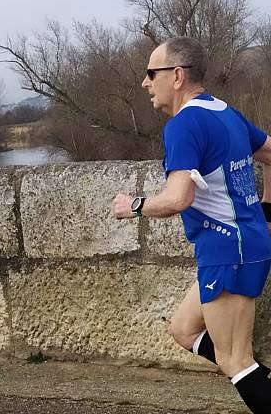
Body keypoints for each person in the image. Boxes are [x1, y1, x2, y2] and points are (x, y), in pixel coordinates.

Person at [113, 36, 271, 414]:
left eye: (152, 73)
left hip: (227, 251)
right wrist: (267, 210)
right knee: (184, 330)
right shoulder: (225, 112)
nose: (145, 82)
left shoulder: (183, 124)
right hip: (238, 246)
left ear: (177, 75)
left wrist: (133, 205)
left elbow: (178, 198)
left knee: (235, 360)